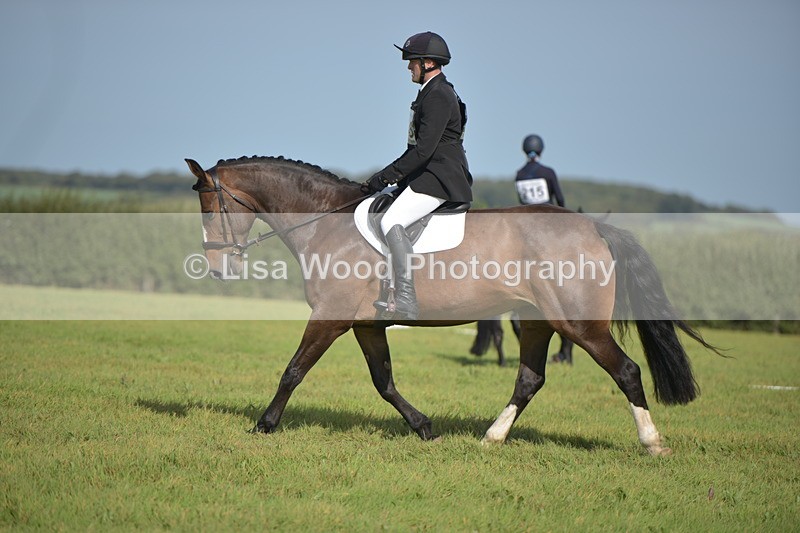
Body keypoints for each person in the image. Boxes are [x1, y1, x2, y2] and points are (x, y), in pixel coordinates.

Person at [362, 31, 473, 320]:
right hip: (429, 174)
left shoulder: (438, 95)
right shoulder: (432, 91)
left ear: (427, 63)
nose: (408, 66)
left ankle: (407, 299)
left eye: (411, 61)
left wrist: (386, 176)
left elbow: (423, 151)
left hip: (439, 178)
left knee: (391, 220)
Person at [515, 134, 574, 363]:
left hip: (526, 231)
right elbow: (560, 201)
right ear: (541, 149)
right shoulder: (548, 172)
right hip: (548, 228)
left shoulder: (519, 174)